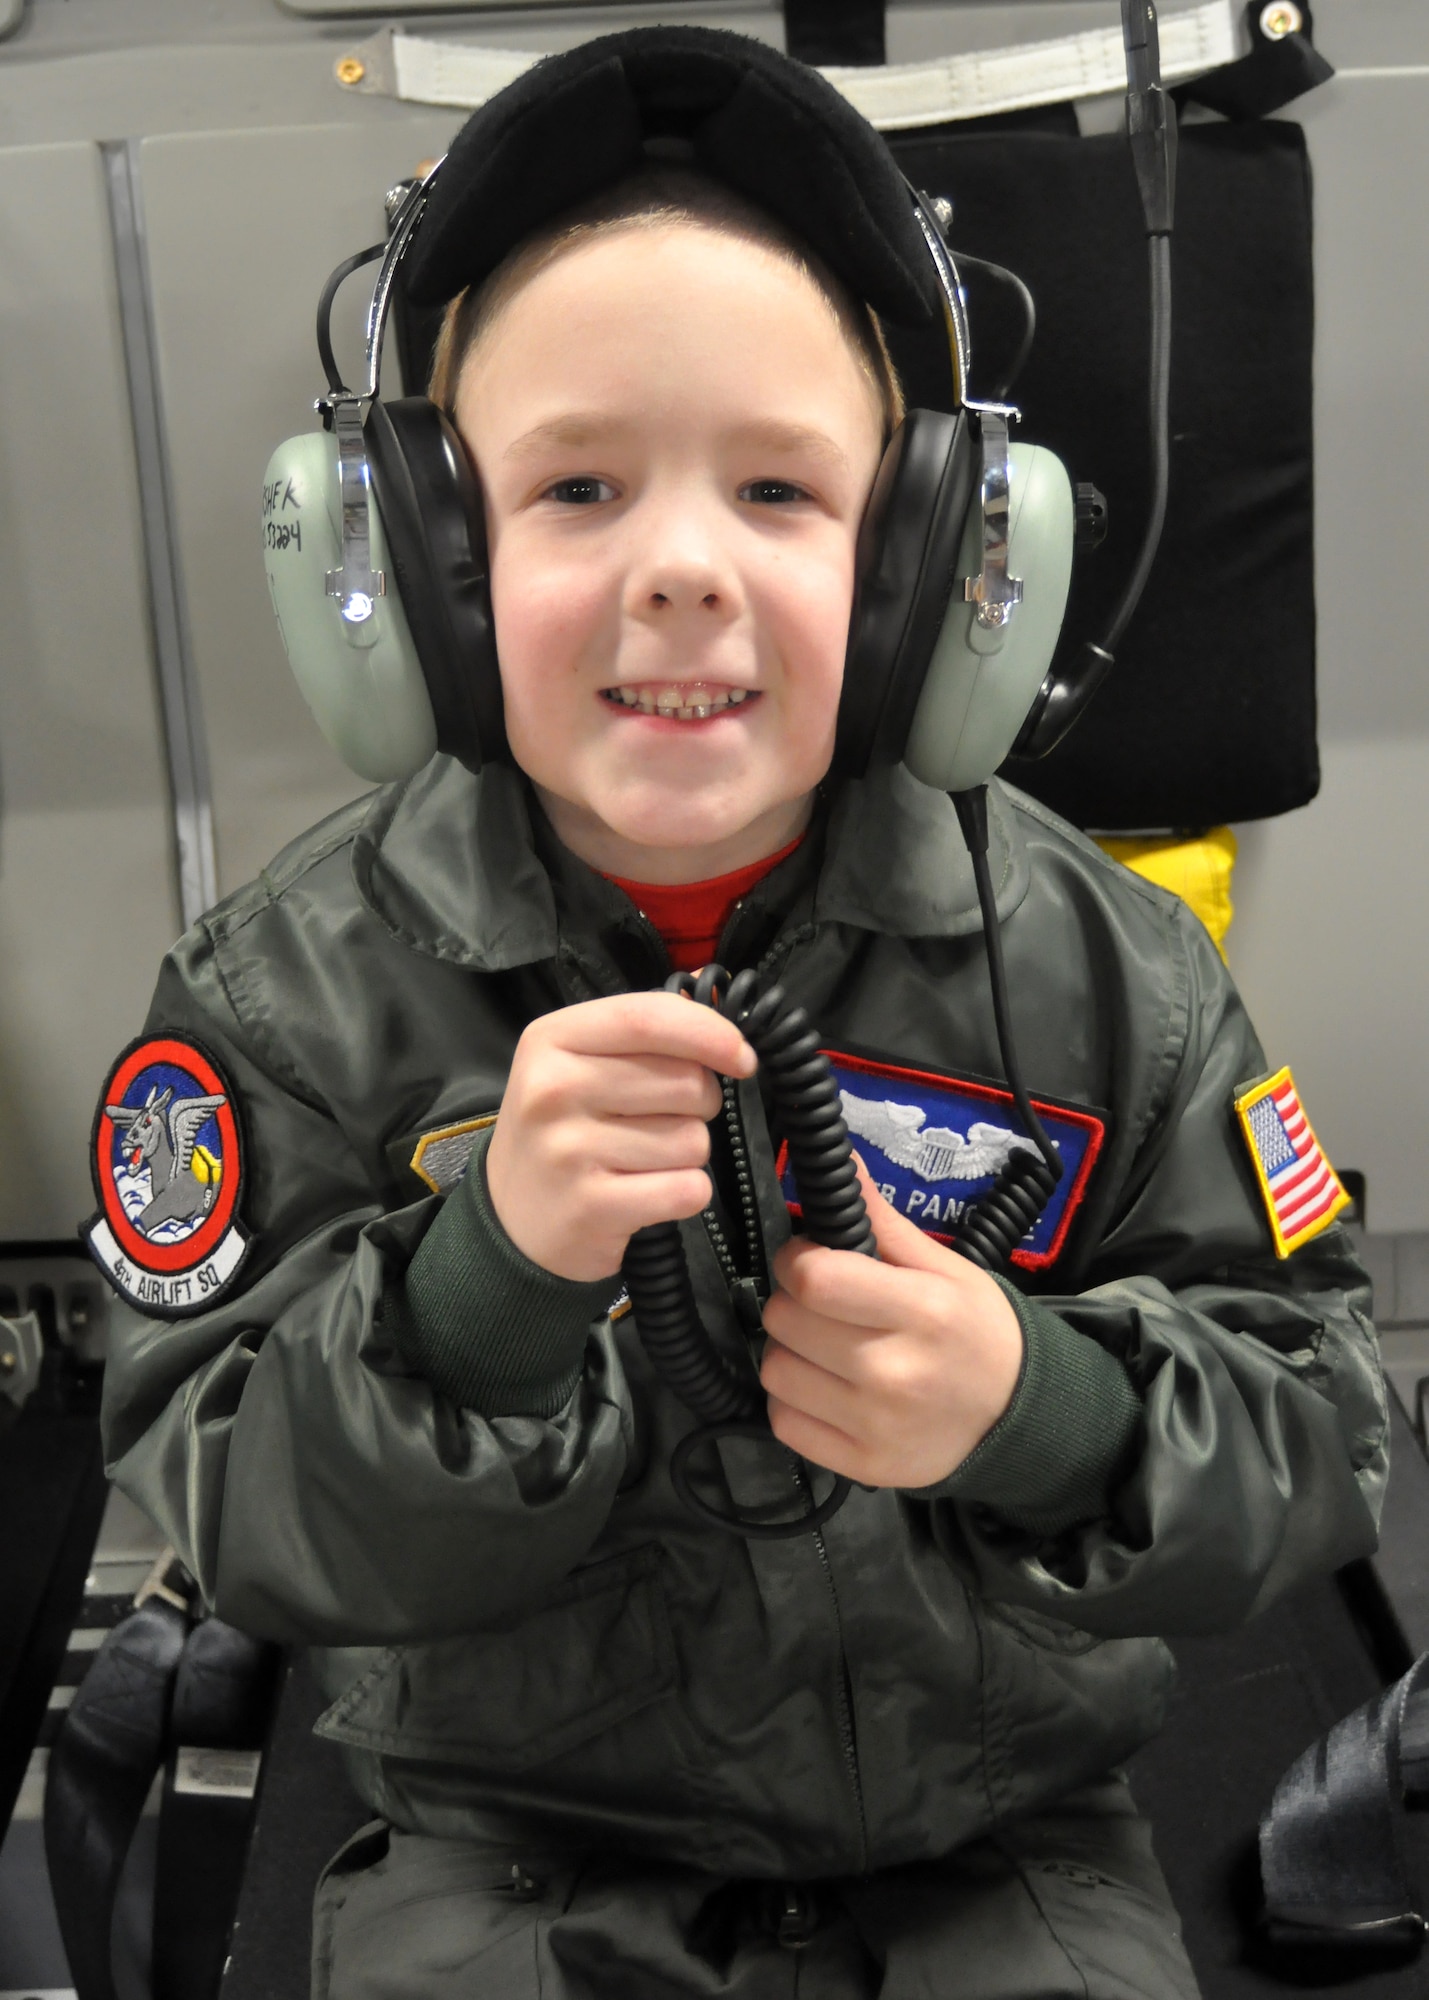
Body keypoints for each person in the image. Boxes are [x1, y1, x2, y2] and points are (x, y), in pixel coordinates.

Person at [91, 27, 1386, 1999]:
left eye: (780, 488)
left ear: (939, 561)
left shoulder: (1097, 966)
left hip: (1005, 1849)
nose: (682, 567)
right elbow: (227, 1510)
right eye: (578, 485)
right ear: (424, 569)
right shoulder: (282, 1003)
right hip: (505, 1856)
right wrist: (478, 1297)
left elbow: (1314, 1426)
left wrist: (1045, 1411)